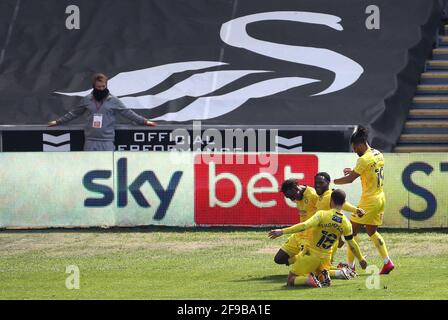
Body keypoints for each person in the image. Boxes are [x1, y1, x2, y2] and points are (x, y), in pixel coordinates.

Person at [269, 189, 367, 288]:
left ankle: (309, 280)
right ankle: (323, 275)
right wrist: (361, 259)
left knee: (291, 280)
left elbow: (304, 225)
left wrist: (282, 231)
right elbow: (352, 243)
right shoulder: (346, 223)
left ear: (331, 200)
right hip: (326, 257)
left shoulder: (322, 214)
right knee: (318, 270)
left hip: (311, 254)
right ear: (344, 202)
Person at [333, 126, 394, 275]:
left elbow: (349, 180)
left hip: (368, 201)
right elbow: (368, 171)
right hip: (380, 198)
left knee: (350, 233)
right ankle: (387, 262)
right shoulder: (378, 153)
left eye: (354, 148)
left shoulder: (363, 159)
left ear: (359, 144)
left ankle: (350, 266)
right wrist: (353, 171)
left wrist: (333, 181)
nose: (354, 151)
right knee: (372, 231)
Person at [48, 73, 157, 151]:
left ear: (106, 85)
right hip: (90, 140)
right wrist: (58, 122)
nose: (101, 89)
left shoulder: (114, 100)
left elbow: (128, 113)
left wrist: (144, 121)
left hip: (107, 141)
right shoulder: (87, 99)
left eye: (103, 86)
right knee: (89, 168)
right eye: (98, 87)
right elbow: (74, 113)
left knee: (108, 169)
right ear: (94, 86)